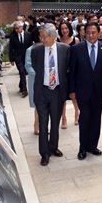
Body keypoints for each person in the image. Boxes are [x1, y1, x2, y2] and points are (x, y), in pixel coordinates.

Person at [31, 23, 71, 166]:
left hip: (58, 92)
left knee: (55, 122)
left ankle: (53, 147)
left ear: (53, 36)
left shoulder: (65, 50)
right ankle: (44, 153)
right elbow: (36, 68)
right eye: (40, 36)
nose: (42, 39)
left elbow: (67, 69)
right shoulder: (36, 51)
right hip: (42, 92)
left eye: (44, 37)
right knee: (43, 123)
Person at [69, 22, 102, 160]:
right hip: (82, 91)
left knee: (96, 119)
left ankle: (93, 146)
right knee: (85, 118)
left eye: (94, 32)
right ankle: (83, 147)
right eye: (88, 33)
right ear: (84, 34)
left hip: (99, 91)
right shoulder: (76, 49)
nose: (91, 35)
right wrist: (72, 90)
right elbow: (72, 72)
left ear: (99, 33)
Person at [58, 21, 80, 129]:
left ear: (69, 29)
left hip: (73, 72)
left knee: (74, 95)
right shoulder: (57, 40)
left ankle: (77, 113)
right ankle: (64, 118)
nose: (64, 31)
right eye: (62, 29)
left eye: (66, 28)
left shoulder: (75, 40)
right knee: (62, 97)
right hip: (61, 72)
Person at [9, 21, 32, 97]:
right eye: (15, 29)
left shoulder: (28, 35)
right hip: (18, 57)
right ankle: (25, 90)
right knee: (21, 71)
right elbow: (11, 48)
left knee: (24, 73)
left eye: (17, 28)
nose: (16, 30)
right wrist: (11, 59)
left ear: (22, 27)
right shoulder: (13, 36)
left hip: (26, 57)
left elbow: (31, 46)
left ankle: (21, 86)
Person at [24, 29, 40, 135]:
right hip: (35, 80)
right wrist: (39, 74)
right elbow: (28, 66)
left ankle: (42, 125)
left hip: (48, 81)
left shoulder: (49, 48)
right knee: (38, 104)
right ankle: (37, 125)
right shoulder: (30, 50)